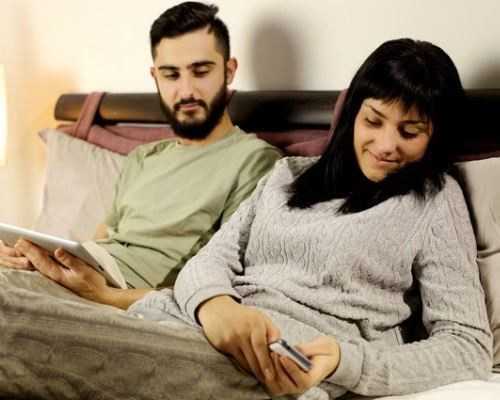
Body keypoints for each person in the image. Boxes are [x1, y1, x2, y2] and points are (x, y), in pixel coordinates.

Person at [2, 38, 492, 399]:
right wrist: (216, 307)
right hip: (194, 320)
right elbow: (207, 263)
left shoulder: (434, 201)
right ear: (352, 116)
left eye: (410, 131)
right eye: (373, 121)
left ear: (435, 134)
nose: (386, 144)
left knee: (15, 322)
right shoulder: (287, 175)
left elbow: (468, 346)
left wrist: (348, 361)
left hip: (274, 363)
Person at [0, 2, 281, 309]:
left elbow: (223, 289)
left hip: (119, 299)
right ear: (155, 77)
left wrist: (104, 296)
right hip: (80, 278)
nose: (186, 90)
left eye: (201, 71)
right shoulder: (143, 157)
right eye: (171, 75)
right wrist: (32, 258)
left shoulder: (254, 161)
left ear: (229, 71)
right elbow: (96, 247)